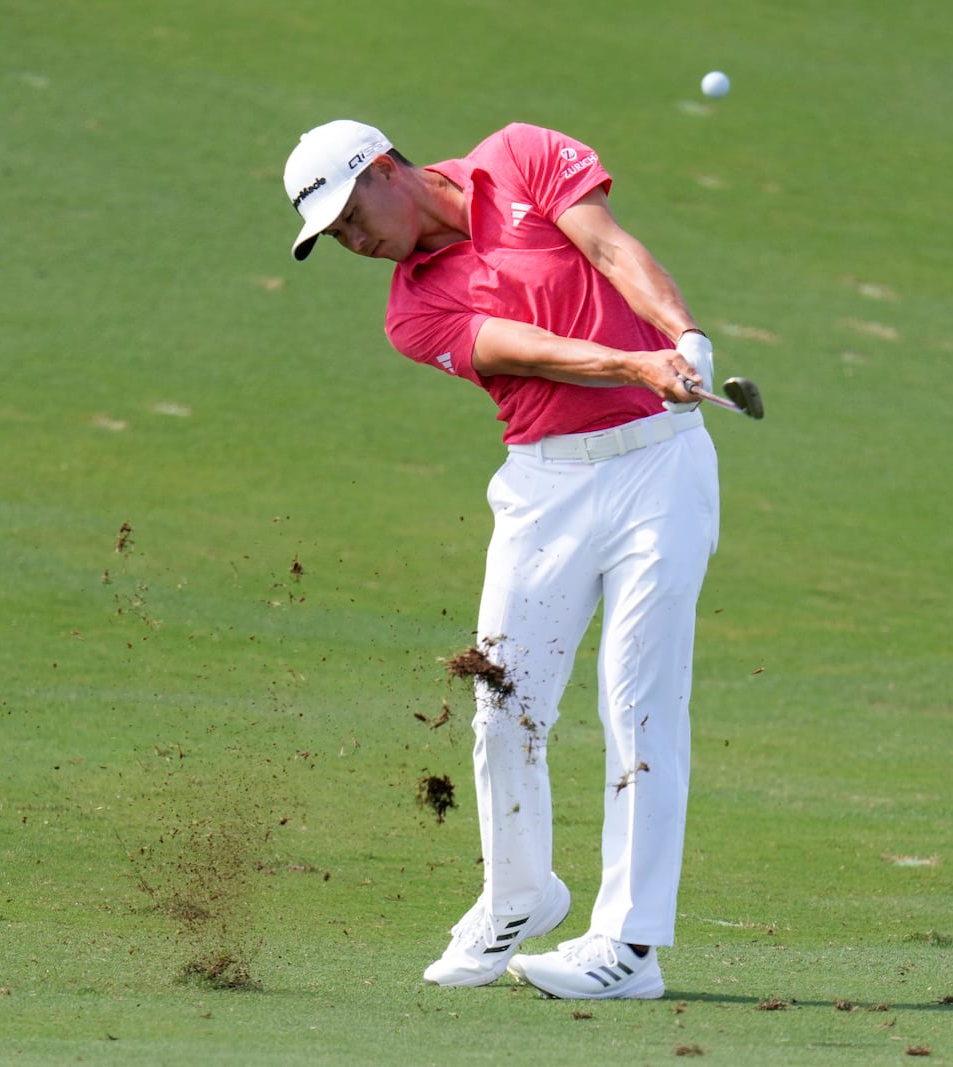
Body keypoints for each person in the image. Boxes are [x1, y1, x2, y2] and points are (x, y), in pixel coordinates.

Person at [281, 119, 720, 1000]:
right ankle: (520, 894)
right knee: (503, 698)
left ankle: (629, 947)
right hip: (545, 485)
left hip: (658, 466)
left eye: (347, 216)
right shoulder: (412, 312)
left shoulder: (519, 155)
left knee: (638, 701)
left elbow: (609, 246)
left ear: (382, 169)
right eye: (329, 237)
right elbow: (530, 352)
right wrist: (636, 362)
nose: (350, 241)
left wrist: (684, 334)